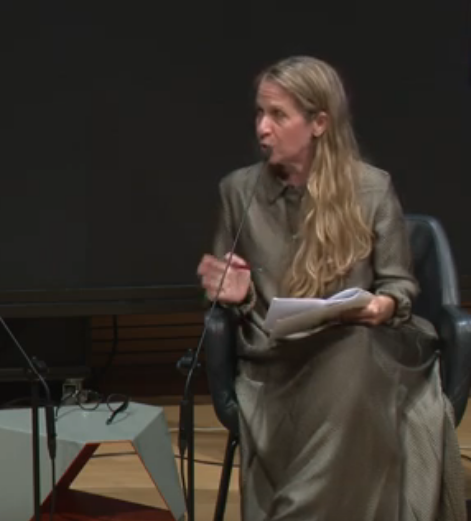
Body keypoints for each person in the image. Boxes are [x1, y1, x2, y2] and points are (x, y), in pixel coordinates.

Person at [196, 56, 466, 521]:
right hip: (278, 353)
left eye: (278, 115)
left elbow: (399, 283)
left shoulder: (371, 189)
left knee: (353, 349)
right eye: (260, 113)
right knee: (340, 362)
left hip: (360, 344)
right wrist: (233, 294)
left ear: (319, 122)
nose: (263, 127)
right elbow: (230, 292)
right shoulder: (237, 192)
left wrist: (384, 304)